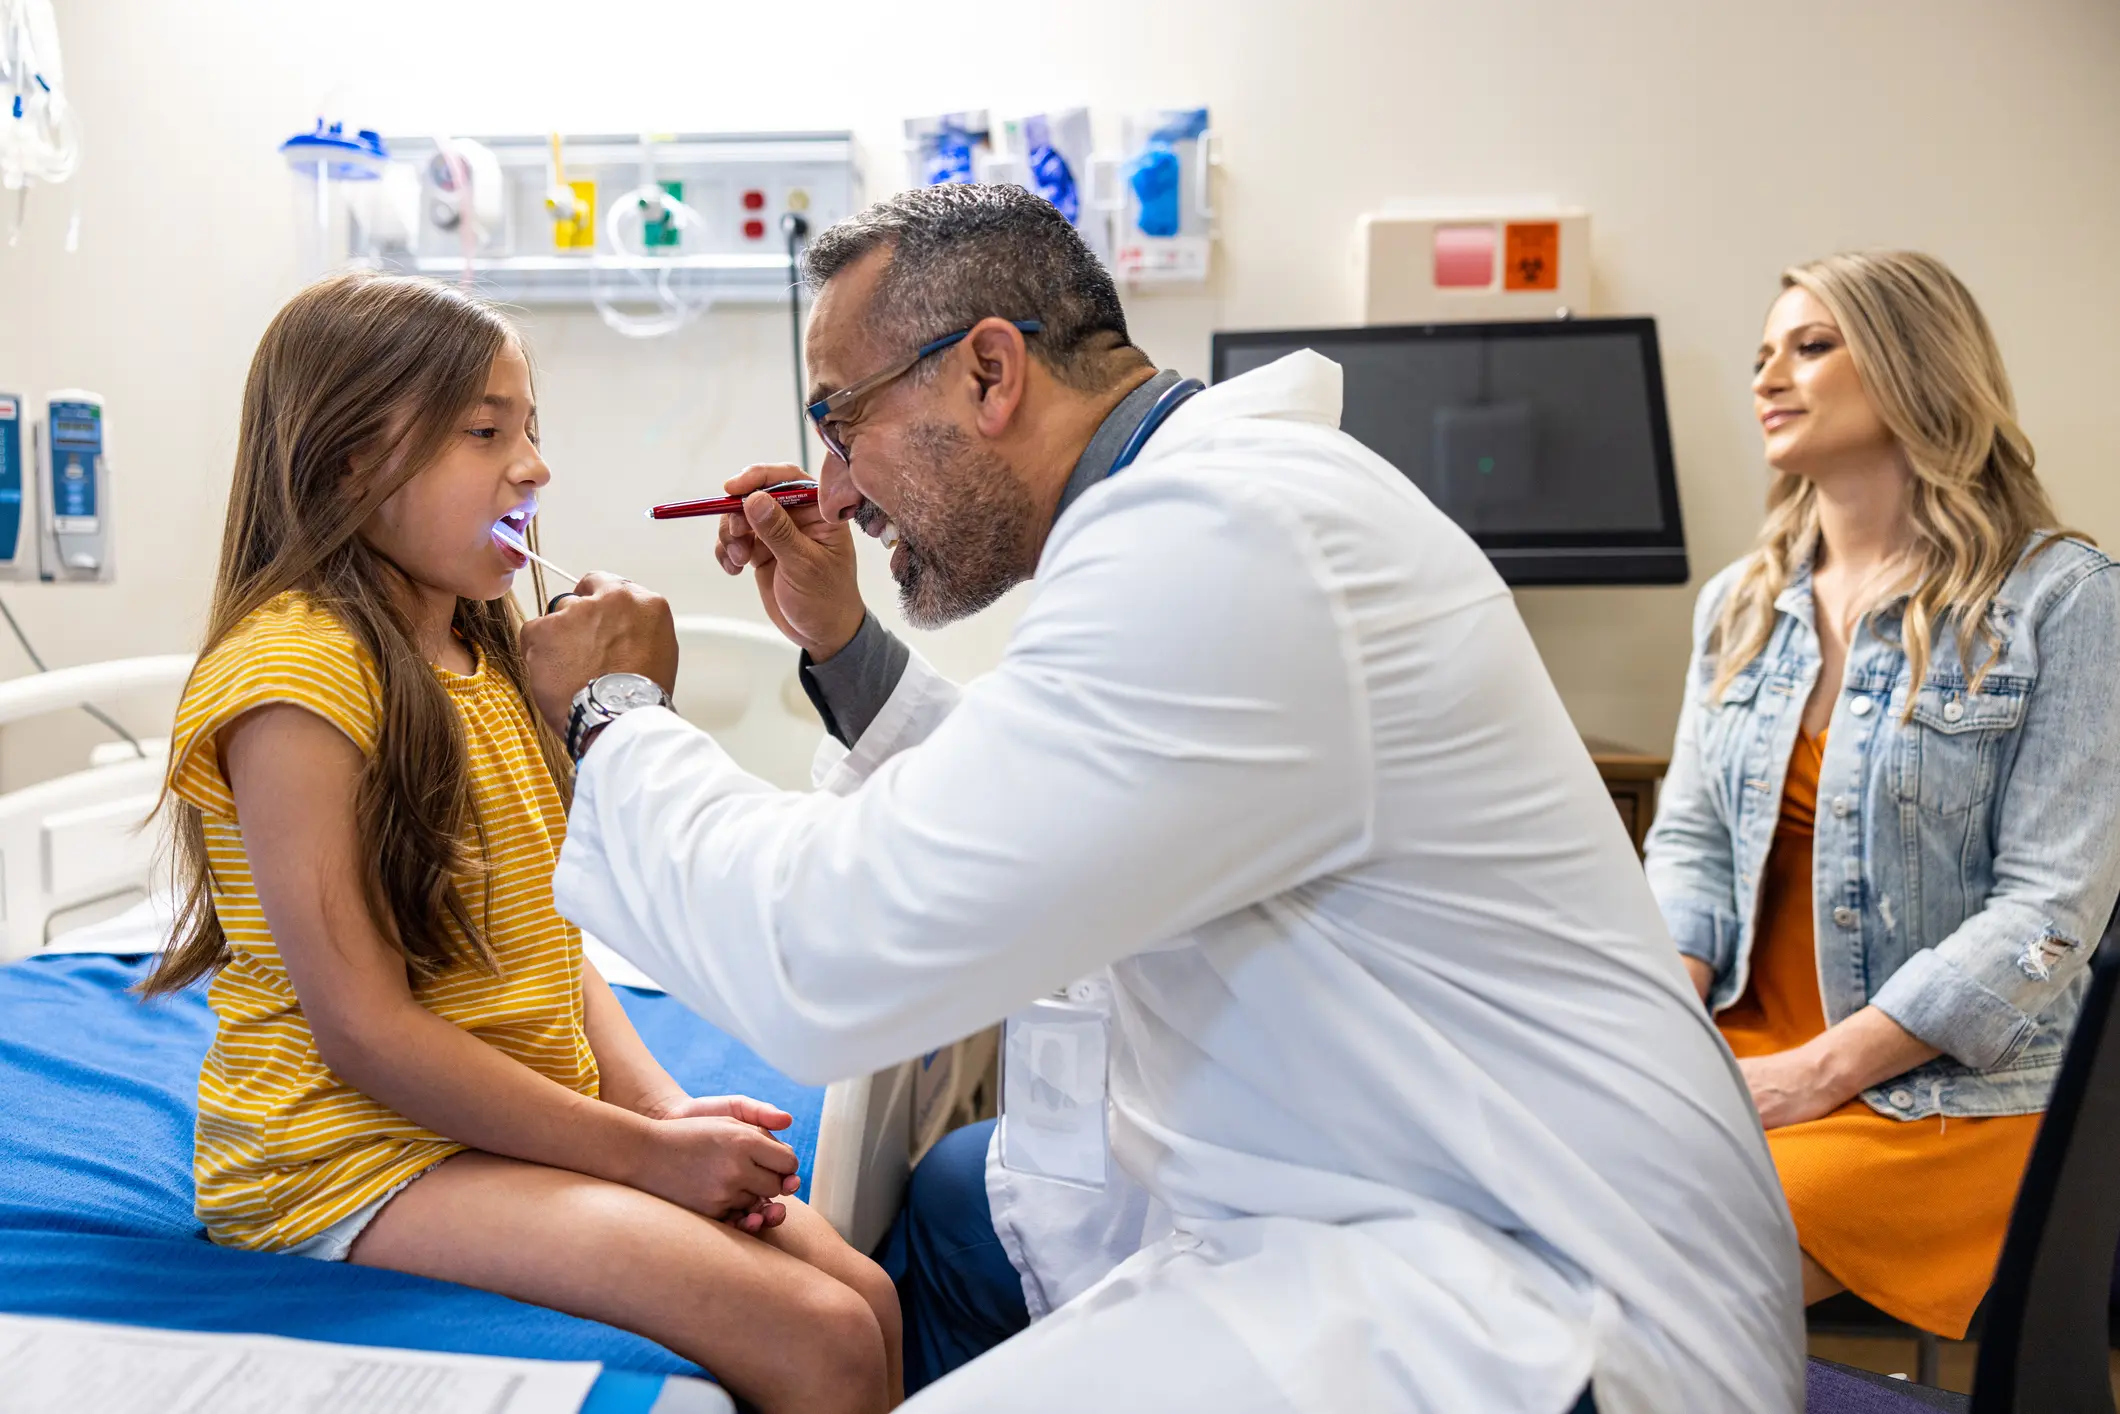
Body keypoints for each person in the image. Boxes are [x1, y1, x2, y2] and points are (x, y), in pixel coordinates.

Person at [525, 183, 1803, 1414]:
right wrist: (842, 642)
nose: (836, 490)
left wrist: (614, 712)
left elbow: (830, 951)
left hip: (1526, 1302)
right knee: (955, 1204)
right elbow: (1056, 806)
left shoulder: (1224, 541)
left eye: (840, 419)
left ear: (986, 372)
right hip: (1399, 1183)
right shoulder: (1200, 515)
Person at [145, 272, 902, 1414]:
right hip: (349, 1155)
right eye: (485, 431)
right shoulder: (294, 679)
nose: (535, 466)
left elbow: (549, 947)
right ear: (350, 461)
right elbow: (364, 1033)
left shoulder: (495, 659)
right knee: (820, 1338)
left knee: (867, 1299)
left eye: (531, 429)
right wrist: (642, 1158)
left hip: (501, 1125)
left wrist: (658, 1109)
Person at [1644, 249, 2120, 1339]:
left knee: (1655, 1251)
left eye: (1811, 347)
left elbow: (2044, 914)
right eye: (1763, 353)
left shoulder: (2065, 603)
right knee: (1524, 1199)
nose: (1768, 376)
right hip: (1747, 1054)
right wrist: (1665, 1025)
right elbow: (1690, 845)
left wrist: (1814, 1074)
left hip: (1942, 1099)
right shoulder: (1737, 603)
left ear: (1916, 369)